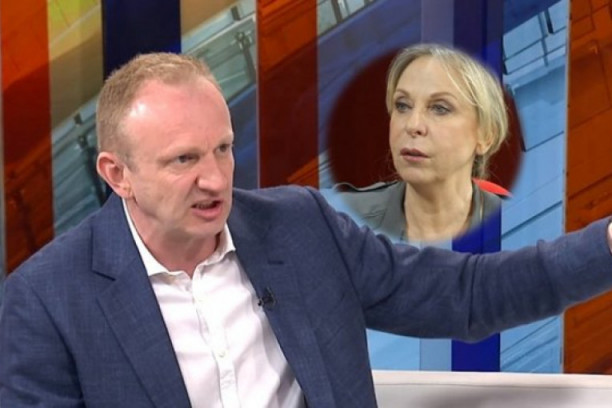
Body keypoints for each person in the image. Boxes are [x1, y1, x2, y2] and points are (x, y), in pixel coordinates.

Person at [1, 52, 612, 408]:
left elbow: (466, 295)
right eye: (184, 160)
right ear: (117, 174)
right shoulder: (45, 301)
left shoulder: (300, 227)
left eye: (223, 149)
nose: (215, 179)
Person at [333, 43, 509, 243]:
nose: (412, 125)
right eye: (402, 105)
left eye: (440, 108)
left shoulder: (516, 228)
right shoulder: (339, 218)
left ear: (486, 135)